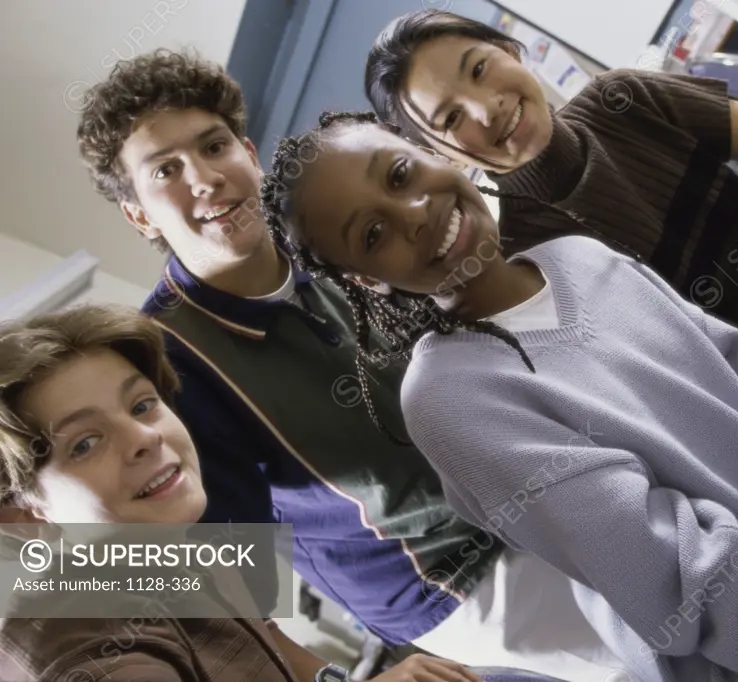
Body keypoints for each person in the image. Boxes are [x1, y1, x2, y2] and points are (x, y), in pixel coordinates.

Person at [260, 110, 738, 682]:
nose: (416, 212)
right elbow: (704, 594)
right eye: (372, 234)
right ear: (368, 280)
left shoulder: (580, 258)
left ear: (431, 153)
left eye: (399, 173)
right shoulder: (450, 400)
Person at [73, 49, 631, 682]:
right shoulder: (169, 364)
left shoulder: (333, 238)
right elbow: (218, 582)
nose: (205, 178)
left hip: (531, 477)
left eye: (213, 146)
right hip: (452, 580)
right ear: (139, 212)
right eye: (166, 169)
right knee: (662, 654)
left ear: (249, 155)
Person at [363, 10, 738, 402]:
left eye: (478, 69)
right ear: (439, 155)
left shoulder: (624, 97)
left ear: (508, 49)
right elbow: (702, 398)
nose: (486, 109)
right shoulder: (528, 260)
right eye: (451, 120)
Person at [0, 304, 514, 682]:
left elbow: (279, 652)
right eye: (86, 443)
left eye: (141, 406)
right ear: (25, 517)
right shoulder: (78, 639)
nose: (144, 438)